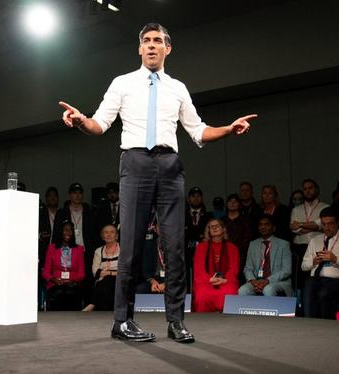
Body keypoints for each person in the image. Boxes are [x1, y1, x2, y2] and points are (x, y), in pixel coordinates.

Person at [60, 22, 256, 342]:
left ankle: (176, 321)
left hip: (169, 165)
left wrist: (227, 129)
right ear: (139, 49)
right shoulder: (122, 83)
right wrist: (82, 121)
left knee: (175, 247)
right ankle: (122, 322)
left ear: (167, 49)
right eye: (146, 41)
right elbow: (100, 124)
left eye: (158, 41)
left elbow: (198, 131)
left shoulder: (177, 87)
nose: (152, 45)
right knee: (132, 247)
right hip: (135, 162)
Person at [301, 207, 339, 320]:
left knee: (324, 293)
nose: (326, 228)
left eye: (330, 224)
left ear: (338, 223)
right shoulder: (315, 241)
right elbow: (303, 266)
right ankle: (309, 322)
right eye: (324, 224)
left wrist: (336, 260)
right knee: (308, 284)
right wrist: (313, 262)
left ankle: (327, 326)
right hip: (316, 279)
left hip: (338, 281)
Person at [192, 219, 240, 312]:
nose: (214, 228)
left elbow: (233, 269)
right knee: (202, 295)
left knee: (230, 293)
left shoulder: (233, 248)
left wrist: (224, 280)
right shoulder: (201, 247)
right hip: (206, 281)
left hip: (226, 281)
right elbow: (199, 269)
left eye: (217, 226)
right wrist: (209, 279)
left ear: (223, 229)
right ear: (208, 231)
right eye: (211, 227)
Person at [240, 215, 293, 297]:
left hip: (277, 282)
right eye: (260, 225)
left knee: (268, 289)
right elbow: (248, 268)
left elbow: (286, 270)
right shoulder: (253, 244)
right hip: (256, 281)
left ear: (274, 228)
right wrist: (253, 281)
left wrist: (267, 280)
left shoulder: (284, 244)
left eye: (267, 224)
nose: (263, 227)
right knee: (243, 290)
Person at [42, 221, 85, 310]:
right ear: (60, 231)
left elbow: (82, 273)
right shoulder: (51, 248)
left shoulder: (79, 249)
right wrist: (53, 279)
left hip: (73, 283)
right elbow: (45, 272)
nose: (68, 232)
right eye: (65, 230)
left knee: (70, 292)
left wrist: (73, 280)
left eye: (70, 230)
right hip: (55, 283)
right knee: (59, 291)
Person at [83, 224, 120, 311]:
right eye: (106, 232)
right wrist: (110, 273)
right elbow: (95, 271)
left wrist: (109, 273)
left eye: (112, 232)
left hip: (119, 280)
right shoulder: (98, 251)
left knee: (108, 279)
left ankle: (92, 304)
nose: (109, 234)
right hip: (102, 281)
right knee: (106, 281)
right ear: (102, 237)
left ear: (117, 236)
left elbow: (125, 271)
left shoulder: (123, 249)